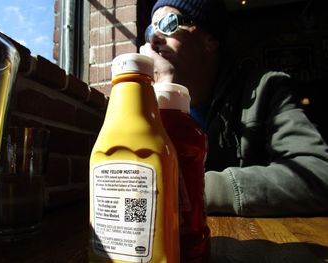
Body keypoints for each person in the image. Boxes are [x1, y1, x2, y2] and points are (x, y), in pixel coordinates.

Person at [140, 0, 328, 216]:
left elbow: (318, 174)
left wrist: (200, 190)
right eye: (149, 31)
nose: (154, 38)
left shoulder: (266, 89)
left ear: (210, 39)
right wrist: (163, 94)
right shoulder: (146, 103)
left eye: (169, 23)